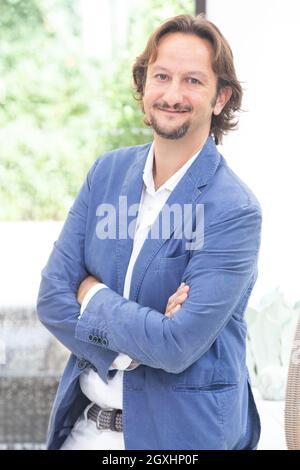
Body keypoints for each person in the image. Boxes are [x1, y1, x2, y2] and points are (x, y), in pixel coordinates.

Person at [37, 14, 262, 450]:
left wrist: (91, 295)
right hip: (84, 429)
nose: (173, 94)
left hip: (179, 440)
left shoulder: (234, 210)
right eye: (162, 76)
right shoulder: (106, 173)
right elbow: (51, 296)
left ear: (221, 98)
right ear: (144, 87)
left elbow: (178, 346)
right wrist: (137, 344)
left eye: (193, 81)